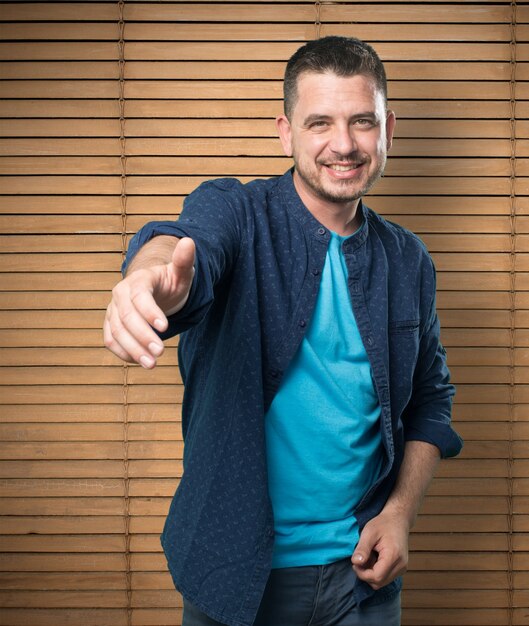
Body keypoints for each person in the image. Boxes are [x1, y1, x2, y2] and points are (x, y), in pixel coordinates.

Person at [103, 36, 463, 626]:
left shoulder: (409, 260)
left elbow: (430, 400)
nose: (343, 145)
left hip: (363, 581)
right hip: (235, 574)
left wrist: (400, 512)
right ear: (285, 131)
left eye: (361, 122)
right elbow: (186, 242)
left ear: (388, 129)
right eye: (319, 122)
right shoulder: (237, 213)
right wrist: (150, 275)